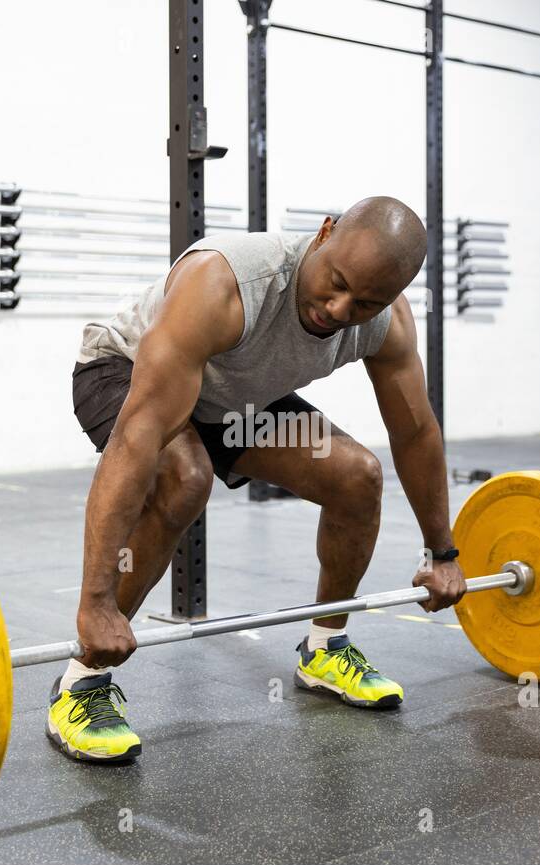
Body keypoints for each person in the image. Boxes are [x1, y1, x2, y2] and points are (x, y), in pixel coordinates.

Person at [53, 196, 466, 761]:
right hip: (121, 369)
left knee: (357, 476)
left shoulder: (385, 324)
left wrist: (442, 552)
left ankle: (325, 647)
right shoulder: (224, 282)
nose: (340, 310)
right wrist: (95, 600)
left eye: (366, 302)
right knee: (185, 475)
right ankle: (83, 680)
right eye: (337, 283)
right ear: (324, 233)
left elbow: (415, 433)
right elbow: (135, 440)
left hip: (233, 402)